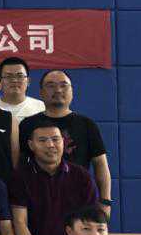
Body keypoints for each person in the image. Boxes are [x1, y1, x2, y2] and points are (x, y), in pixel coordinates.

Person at [19, 70, 112, 214]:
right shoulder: (28, 124)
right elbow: (20, 163)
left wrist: (105, 201)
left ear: (72, 91)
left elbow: (100, 165)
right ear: (41, 92)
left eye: (63, 85)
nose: (58, 90)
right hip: (38, 200)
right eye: (51, 85)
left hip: (78, 198)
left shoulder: (87, 125)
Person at [10, 119, 98, 235]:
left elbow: (91, 221)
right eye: (42, 140)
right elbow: (20, 223)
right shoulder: (20, 177)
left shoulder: (82, 176)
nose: (50, 145)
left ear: (63, 142)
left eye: (55, 139)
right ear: (31, 145)